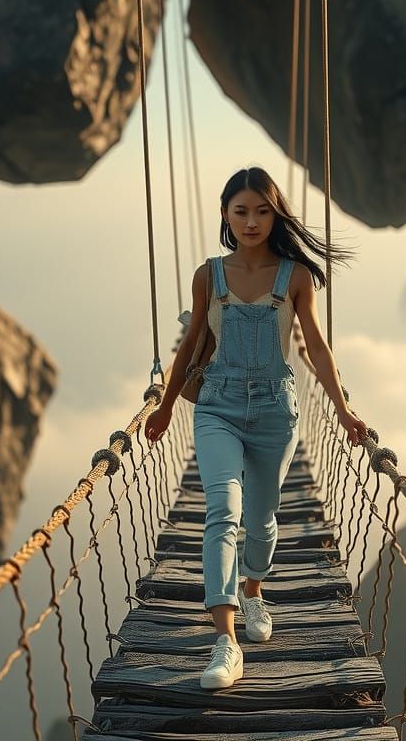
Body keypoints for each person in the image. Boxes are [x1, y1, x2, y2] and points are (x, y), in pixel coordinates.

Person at [144, 166, 367, 689]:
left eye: (262, 211)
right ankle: (225, 642)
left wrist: (342, 409)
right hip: (217, 407)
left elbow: (315, 346)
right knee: (223, 509)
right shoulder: (208, 276)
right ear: (225, 213)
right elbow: (189, 346)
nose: (252, 221)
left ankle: (253, 591)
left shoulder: (295, 276)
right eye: (241, 211)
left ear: (276, 214)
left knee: (264, 518)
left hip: (274, 412)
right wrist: (166, 404)